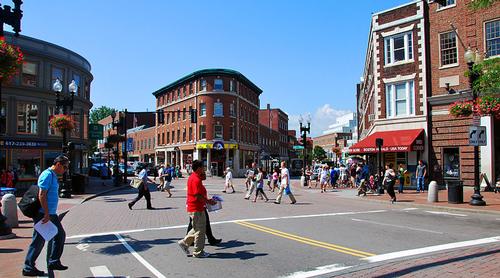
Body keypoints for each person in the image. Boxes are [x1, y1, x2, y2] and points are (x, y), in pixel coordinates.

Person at [23, 155, 70, 276]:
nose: (65, 170)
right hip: (43, 213)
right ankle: (29, 267)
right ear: (58, 164)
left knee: (56, 236)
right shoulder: (47, 175)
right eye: (64, 167)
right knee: (40, 240)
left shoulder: (53, 176)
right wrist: (47, 213)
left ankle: (53, 261)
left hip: (49, 213)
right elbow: (42, 195)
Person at [178, 160, 217, 258]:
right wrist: (209, 201)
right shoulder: (196, 179)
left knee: (196, 228)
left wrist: (207, 200)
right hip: (196, 207)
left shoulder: (194, 177)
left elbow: (203, 178)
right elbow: (197, 195)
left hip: (195, 207)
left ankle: (184, 242)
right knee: (200, 230)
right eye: (203, 167)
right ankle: (198, 252)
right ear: (199, 168)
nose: (204, 168)